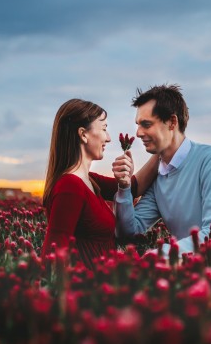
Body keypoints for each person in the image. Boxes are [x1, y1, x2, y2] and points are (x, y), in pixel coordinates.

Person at [112, 84, 211, 260]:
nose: (138, 133)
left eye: (146, 124)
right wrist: (124, 187)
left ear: (172, 122)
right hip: (191, 265)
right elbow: (129, 232)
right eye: (138, 125)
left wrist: (160, 253)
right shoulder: (159, 177)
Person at [41, 98, 158, 267]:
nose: (109, 138)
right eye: (104, 129)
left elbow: (133, 187)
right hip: (88, 288)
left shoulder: (90, 180)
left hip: (104, 285)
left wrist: (162, 148)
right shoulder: (70, 186)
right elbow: (52, 256)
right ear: (83, 134)